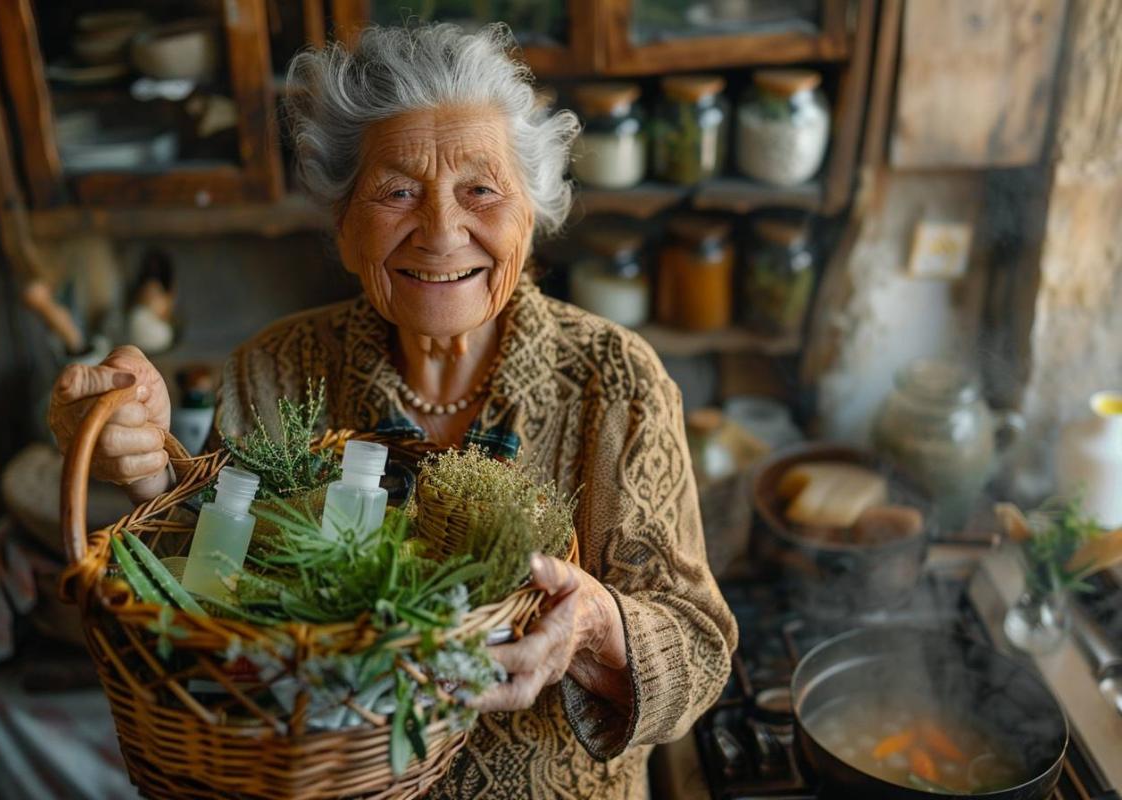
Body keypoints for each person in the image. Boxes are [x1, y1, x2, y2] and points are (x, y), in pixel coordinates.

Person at [48, 23, 737, 799]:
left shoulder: (617, 381)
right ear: (343, 227)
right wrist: (148, 468)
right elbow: (213, 600)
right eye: (398, 191)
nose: (442, 231)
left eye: (482, 188)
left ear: (531, 217)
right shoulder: (274, 370)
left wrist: (594, 628)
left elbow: (701, 652)